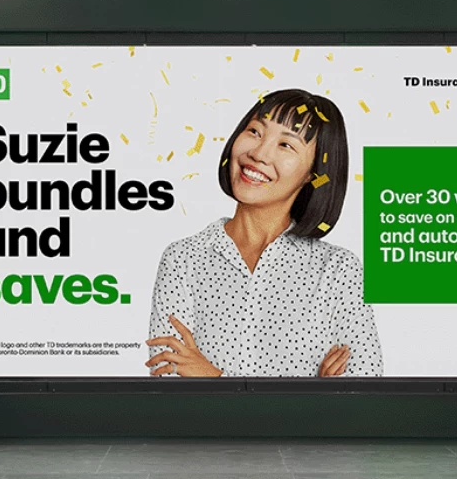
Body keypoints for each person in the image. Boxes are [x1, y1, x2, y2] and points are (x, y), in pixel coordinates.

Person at [145, 89, 381, 379]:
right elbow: (168, 379)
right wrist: (313, 392)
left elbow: (362, 388)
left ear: (313, 173)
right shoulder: (183, 259)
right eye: (255, 131)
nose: (258, 154)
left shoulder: (338, 270)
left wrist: (212, 377)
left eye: (286, 145)